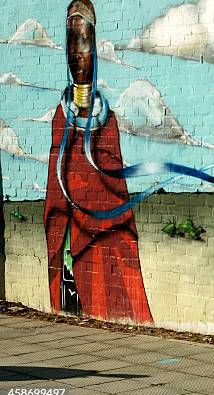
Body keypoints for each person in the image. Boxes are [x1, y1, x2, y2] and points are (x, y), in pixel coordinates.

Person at [44, 0, 153, 323]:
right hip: (70, 241)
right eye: (71, 43)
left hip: (104, 240)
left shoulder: (107, 121)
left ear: (94, 48)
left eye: (84, 42)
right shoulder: (61, 117)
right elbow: (56, 188)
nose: (78, 53)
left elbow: (113, 187)